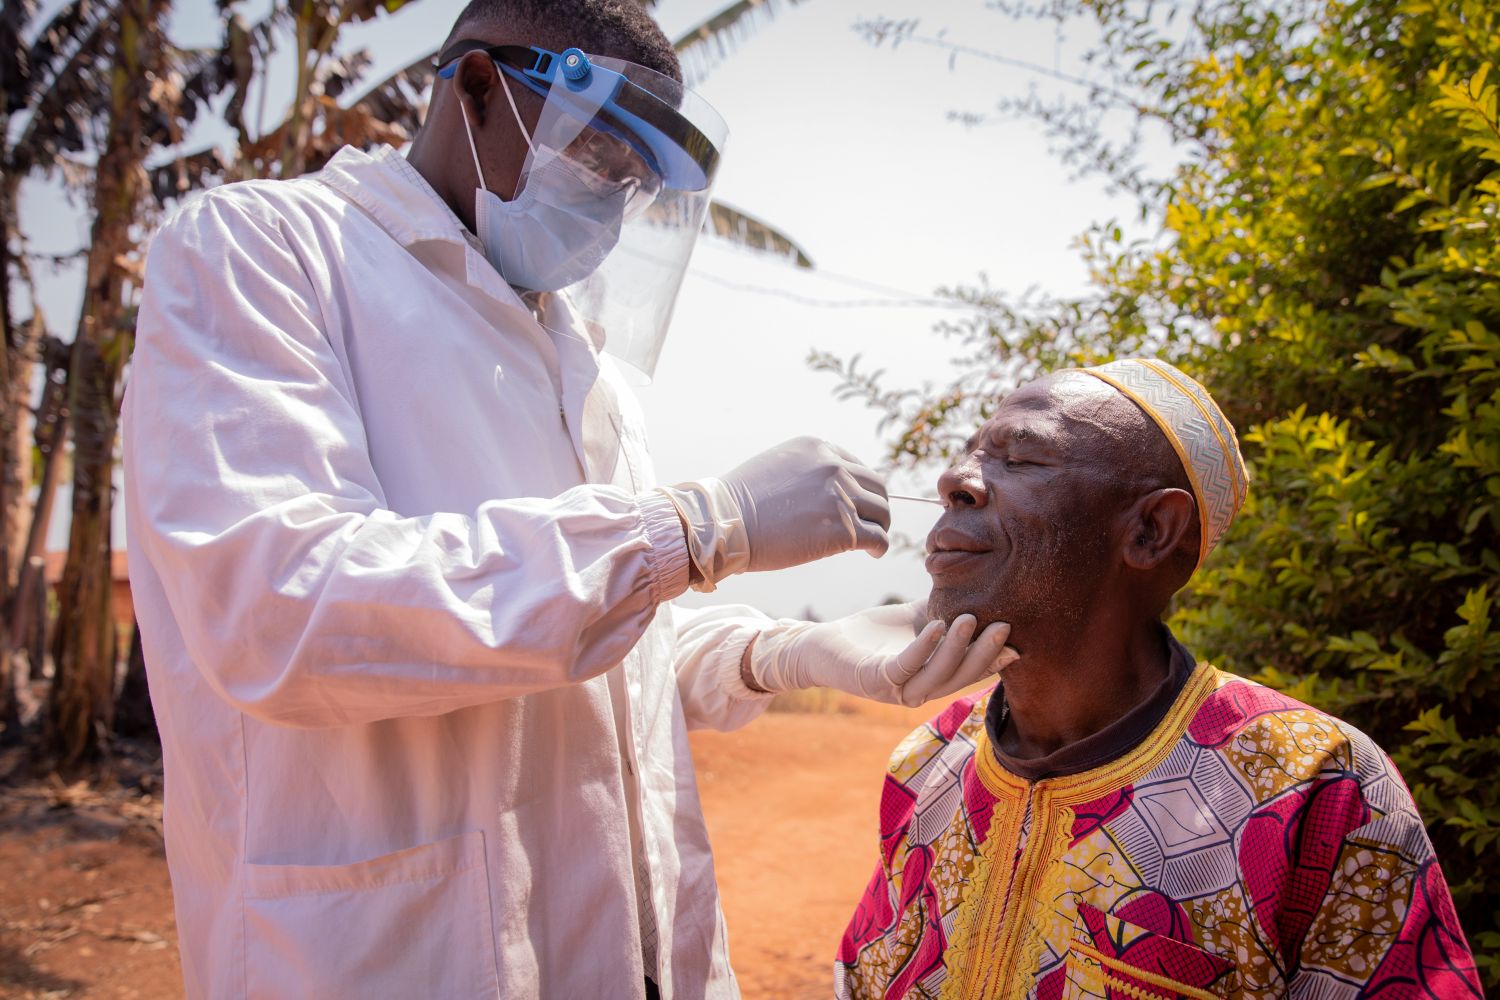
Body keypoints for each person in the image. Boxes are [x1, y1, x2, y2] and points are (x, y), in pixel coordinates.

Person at [122, 2, 1014, 997]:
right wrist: (700, 527)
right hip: (385, 956)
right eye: (597, 152)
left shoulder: (578, 355)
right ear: (472, 88)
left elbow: (593, 638)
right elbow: (282, 609)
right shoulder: (263, 253)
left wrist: (778, 653)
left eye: (636, 181)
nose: (613, 197)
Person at [833, 359, 1482, 999]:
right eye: (970, 454)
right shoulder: (928, 762)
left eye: (1022, 459)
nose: (955, 480)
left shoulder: (1311, 786)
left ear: (1150, 529)